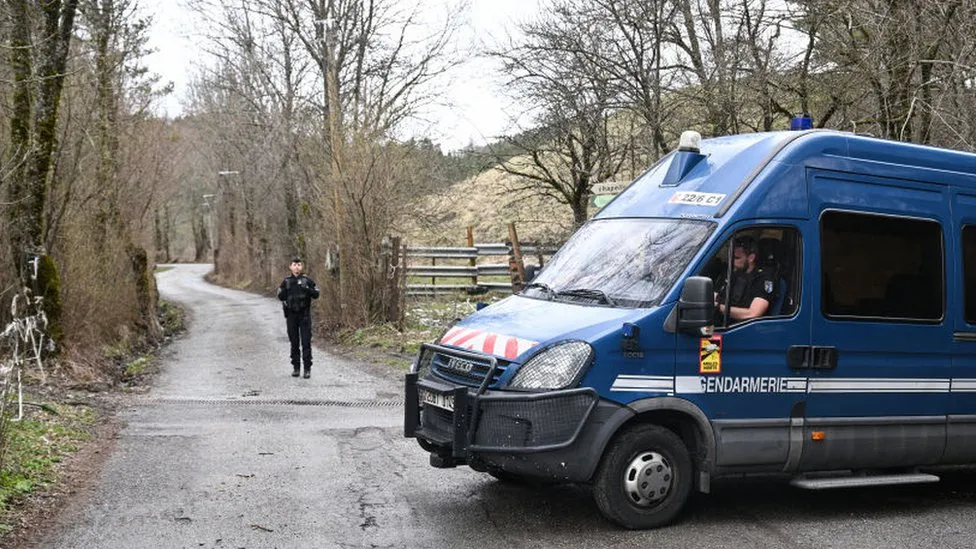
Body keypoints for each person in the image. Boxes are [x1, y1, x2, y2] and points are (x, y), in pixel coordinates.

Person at [714, 236, 776, 322]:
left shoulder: (763, 278)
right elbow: (714, 295)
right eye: (730, 257)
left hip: (741, 328)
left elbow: (753, 313)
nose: (731, 261)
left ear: (751, 258)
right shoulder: (731, 272)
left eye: (736, 258)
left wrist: (718, 307)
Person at [277, 257, 320, 378]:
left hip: (304, 315)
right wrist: (284, 292)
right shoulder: (286, 281)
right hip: (291, 316)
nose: (297, 267)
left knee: (306, 342)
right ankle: (296, 367)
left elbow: (316, 294)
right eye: (294, 265)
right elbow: (280, 296)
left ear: (302, 267)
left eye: (299, 265)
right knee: (294, 342)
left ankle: (307, 369)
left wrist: (307, 289)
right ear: (290, 267)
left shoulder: (307, 280)